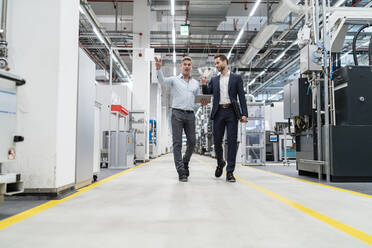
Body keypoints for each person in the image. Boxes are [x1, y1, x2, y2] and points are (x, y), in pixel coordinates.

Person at [201, 54, 248, 182]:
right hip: (218, 112)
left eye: (217, 63)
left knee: (232, 142)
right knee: (216, 141)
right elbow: (207, 93)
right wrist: (204, 84)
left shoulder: (236, 78)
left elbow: (242, 97)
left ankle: (230, 172)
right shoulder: (215, 80)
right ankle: (220, 162)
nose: (216, 66)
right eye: (215, 63)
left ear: (225, 62)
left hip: (232, 112)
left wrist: (244, 114)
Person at [155, 56, 200, 182]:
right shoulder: (175, 80)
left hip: (190, 114)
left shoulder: (195, 83)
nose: (186, 66)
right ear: (181, 66)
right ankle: (181, 171)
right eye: (184, 64)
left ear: (191, 67)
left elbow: (197, 102)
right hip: (177, 114)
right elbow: (163, 81)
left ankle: (185, 161)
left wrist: (201, 103)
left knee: (192, 142)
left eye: (189, 64)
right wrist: (159, 69)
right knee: (177, 143)